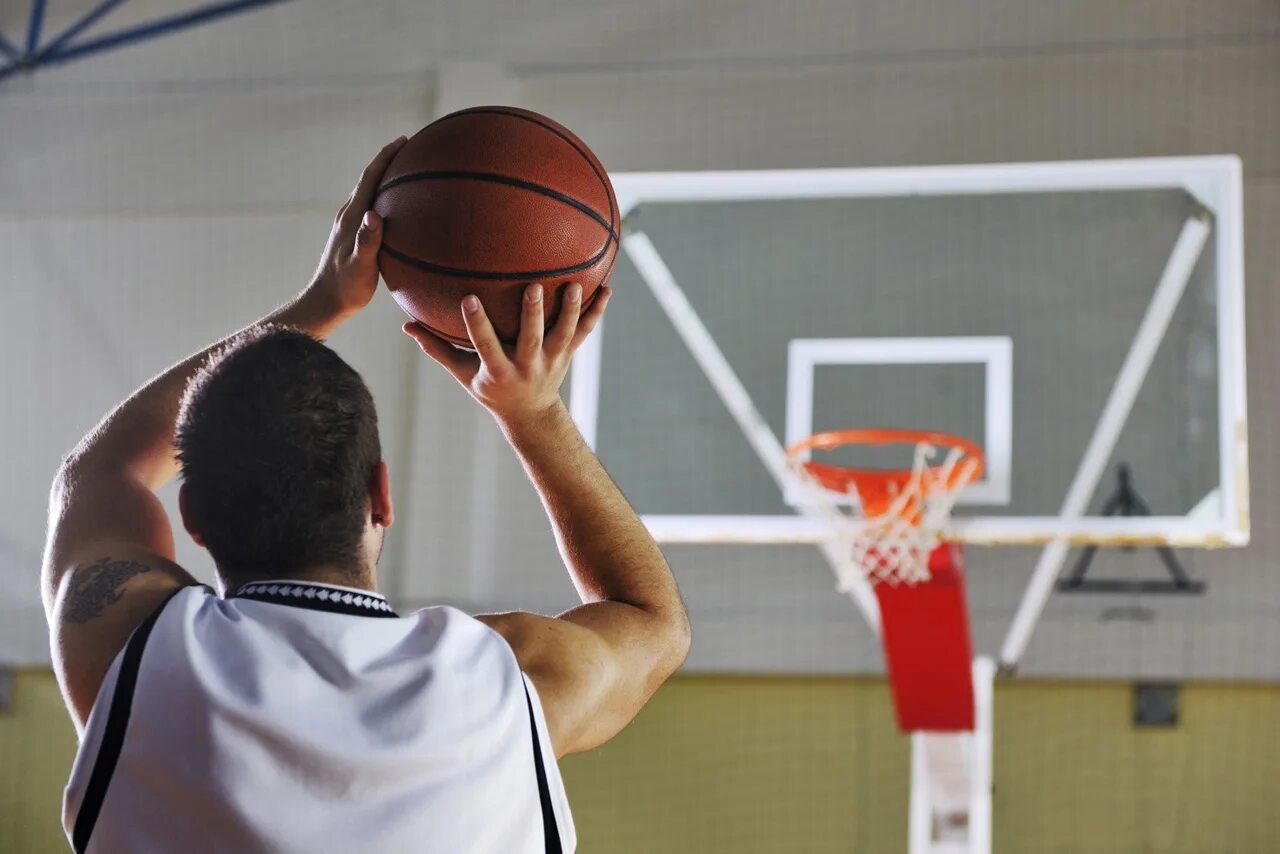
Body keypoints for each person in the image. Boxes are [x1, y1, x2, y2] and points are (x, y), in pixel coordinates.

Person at [44, 137, 690, 854]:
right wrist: (534, 414)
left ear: (192, 517)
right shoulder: (506, 682)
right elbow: (654, 624)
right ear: (380, 497)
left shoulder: (135, 656)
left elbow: (101, 472)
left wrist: (320, 304)